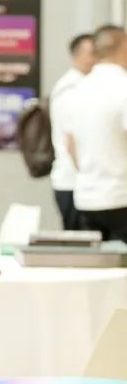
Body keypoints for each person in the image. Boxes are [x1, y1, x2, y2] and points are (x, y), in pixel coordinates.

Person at [63, 25, 127, 242]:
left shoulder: (78, 88)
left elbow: (70, 145)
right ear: (123, 46)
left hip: (86, 198)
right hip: (120, 196)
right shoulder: (123, 87)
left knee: (94, 262)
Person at [48, 32, 96, 230]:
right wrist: (89, 178)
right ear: (76, 55)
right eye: (91, 53)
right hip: (72, 183)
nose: (96, 58)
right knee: (80, 244)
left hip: (78, 183)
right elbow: (71, 141)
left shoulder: (85, 85)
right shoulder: (71, 89)